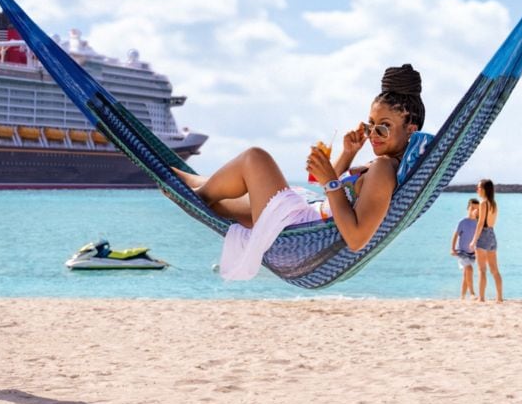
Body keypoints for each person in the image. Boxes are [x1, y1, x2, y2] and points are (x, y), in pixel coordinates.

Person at [172, 65, 429, 281]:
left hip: (300, 230)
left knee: (255, 158)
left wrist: (329, 179)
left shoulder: (384, 169)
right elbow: (331, 198)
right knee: (196, 185)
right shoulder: (381, 164)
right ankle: (185, 186)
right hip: (306, 219)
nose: (373, 134)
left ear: (410, 129)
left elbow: (356, 238)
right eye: (369, 125)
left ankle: (195, 198)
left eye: (383, 128)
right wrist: (348, 153)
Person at [469, 177, 503, 302]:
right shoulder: (493, 203)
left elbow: (480, 223)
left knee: (482, 269)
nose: (477, 189)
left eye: (478, 187)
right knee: (494, 269)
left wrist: (473, 240)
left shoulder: (483, 203)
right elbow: (490, 221)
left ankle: (481, 298)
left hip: (483, 234)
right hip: (492, 234)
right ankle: (499, 297)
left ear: (483, 189)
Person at [450, 198, 479, 298]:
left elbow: (479, 237)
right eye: (472, 208)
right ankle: (472, 293)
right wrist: (452, 249)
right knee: (470, 270)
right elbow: (455, 235)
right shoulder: (463, 222)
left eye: (476, 209)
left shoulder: (478, 223)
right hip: (461, 251)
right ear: (468, 208)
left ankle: (462, 297)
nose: (474, 211)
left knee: (466, 275)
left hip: (472, 253)